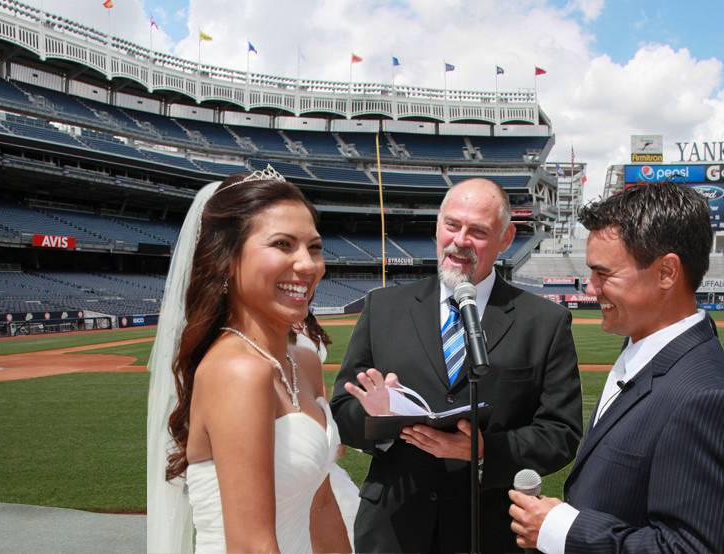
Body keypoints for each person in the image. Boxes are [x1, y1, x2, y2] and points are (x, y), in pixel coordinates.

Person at [331, 178, 583, 554]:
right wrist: (377, 420)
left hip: (489, 531)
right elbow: (342, 409)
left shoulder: (544, 323)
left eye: (478, 231)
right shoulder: (383, 308)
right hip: (392, 530)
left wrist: (484, 450)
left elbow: (561, 433)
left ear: (506, 237)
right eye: (452, 225)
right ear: (437, 225)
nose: (460, 240)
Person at [509, 183, 724, 553]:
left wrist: (563, 531)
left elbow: (690, 547)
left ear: (667, 272)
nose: (591, 287)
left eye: (604, 274)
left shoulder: (703, 395)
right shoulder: (640, 347)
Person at [146, 168, 350, 554]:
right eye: (283, 244)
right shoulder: (237, 372)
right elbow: (251, 546)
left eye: (315, 247)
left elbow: (322, 507)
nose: (308, 265)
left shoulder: (303, 361)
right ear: (226, 259)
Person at [292, 312, 361, 546]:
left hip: (318, 417)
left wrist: (332, 429)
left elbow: (318, 387)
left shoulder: (306, 321)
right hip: (294, 425)